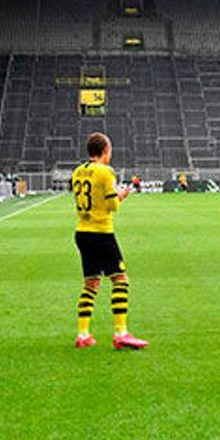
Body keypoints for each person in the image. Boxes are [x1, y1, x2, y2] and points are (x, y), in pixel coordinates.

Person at [71, 133, 149, 350]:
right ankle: (121, 332)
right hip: (101, 231)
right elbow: (112, 205)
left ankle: (83, 333)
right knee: (120, 279)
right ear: (105, 150)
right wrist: (121, 195)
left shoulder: (78, 171)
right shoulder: (105, 172)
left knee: (91, 283)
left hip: (82, 232)